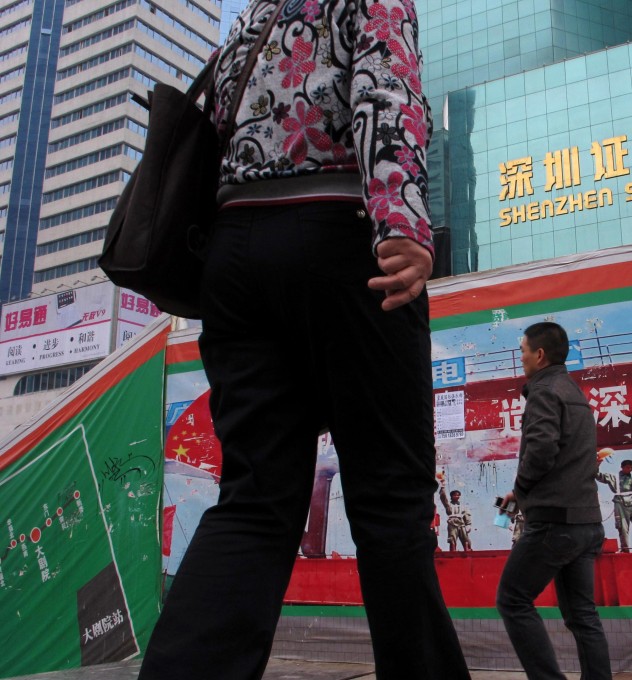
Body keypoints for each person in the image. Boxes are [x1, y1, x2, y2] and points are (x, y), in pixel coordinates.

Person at [136, 2, 469, 679]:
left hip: (232, 256)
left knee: (254, 499)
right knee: (389, 506)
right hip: (341, 236)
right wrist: (401, 218)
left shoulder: (254, 20)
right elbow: (386, 84)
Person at [496, 322, 611, 680]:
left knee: (513, 600)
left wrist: (523, 487)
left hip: (554, 524)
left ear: (539, 355)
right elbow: (570, 456)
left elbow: (542, 449)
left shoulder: (544, 391)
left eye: (523, 351)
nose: (522, 357)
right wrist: (521, 493)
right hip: (587, 523)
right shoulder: (574, 392)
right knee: (582, 615)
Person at [596, 458, 632, 552]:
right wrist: (597, 464)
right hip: (620, 504)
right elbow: (597, 475)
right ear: (622, 467)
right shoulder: (613, 477)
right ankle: (625, 548)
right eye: (627, 467)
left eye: (631, 467)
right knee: (622, 527)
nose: (629, 469)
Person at [439, 484, 472, 551]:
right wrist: (442, 488)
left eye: (458, 495)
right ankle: (453, 552)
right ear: (451, 496)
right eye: (455, 495)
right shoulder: (448, 505)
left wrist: (468, 524)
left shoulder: (462, 506)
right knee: (452, 538)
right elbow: (443, 498)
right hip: (452, 522)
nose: (457, 496)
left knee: (465, 538)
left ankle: (468, 550)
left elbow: (466, 515)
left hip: (461, 523)